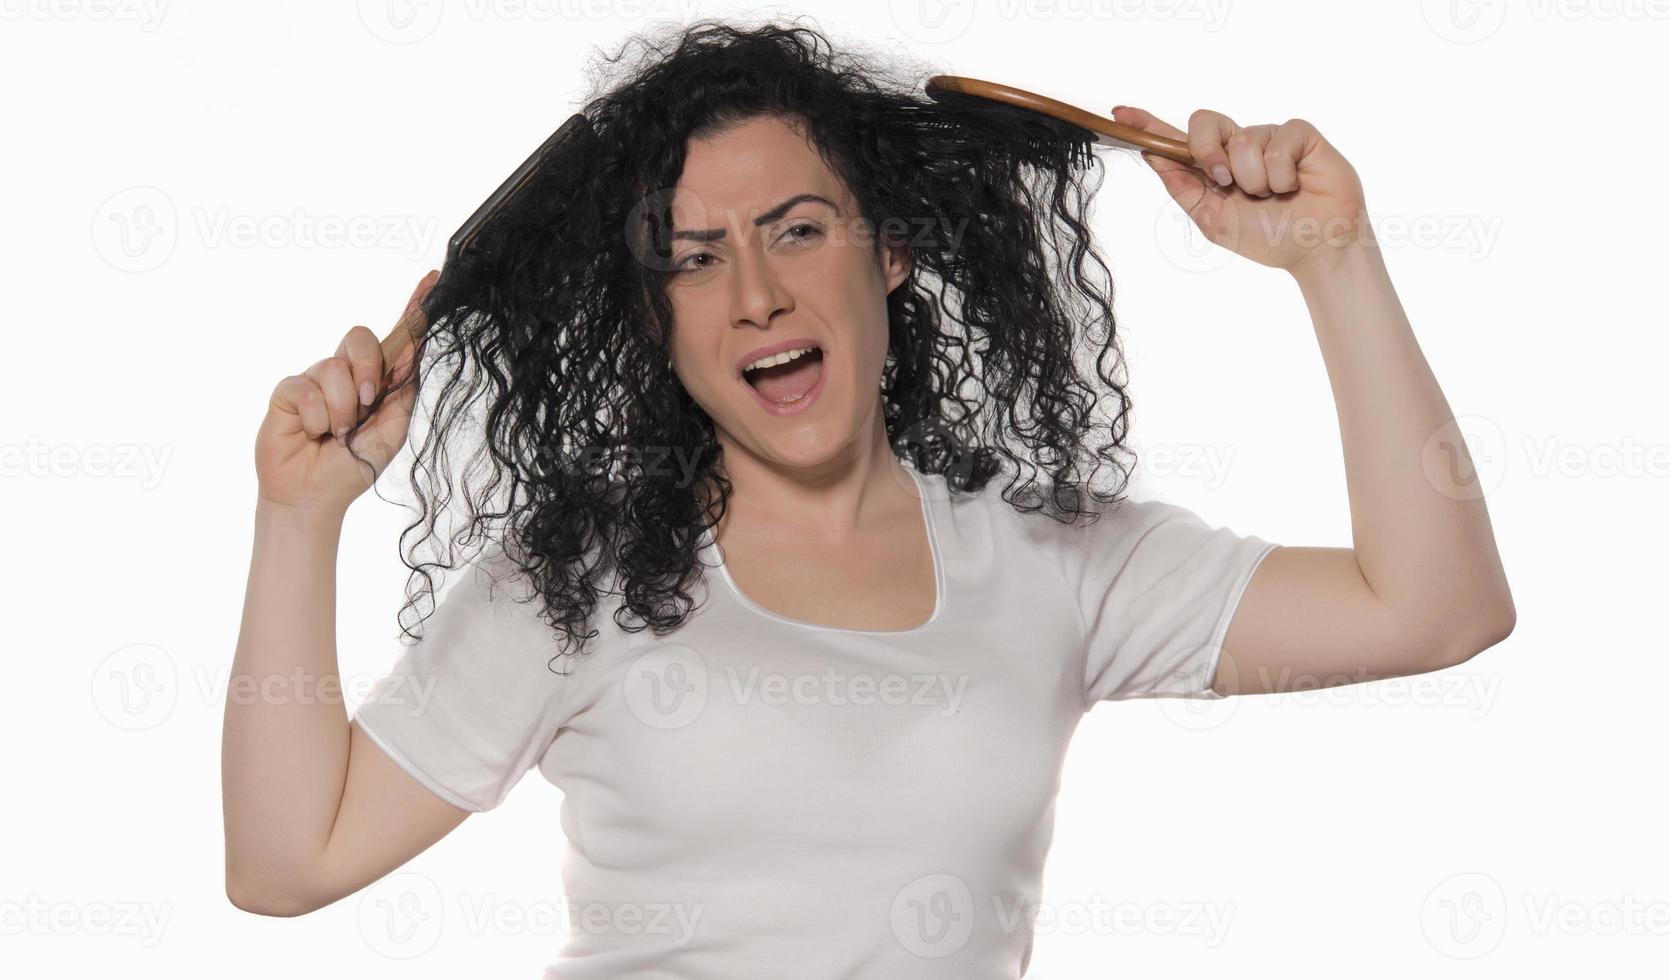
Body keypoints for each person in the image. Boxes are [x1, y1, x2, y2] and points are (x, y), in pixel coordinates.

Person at [221, 18, 1514, 978]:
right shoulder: (578, 582)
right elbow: (287, 864)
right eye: (694, 259)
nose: (756, 296)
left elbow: (1432, 608)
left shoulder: (1050, 562)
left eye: (795, 229)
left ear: (888, 249)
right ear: (656, 319)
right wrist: (298, 518)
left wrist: (1333, 264)